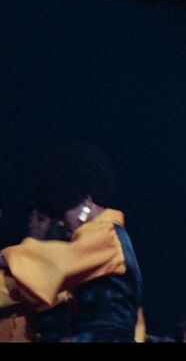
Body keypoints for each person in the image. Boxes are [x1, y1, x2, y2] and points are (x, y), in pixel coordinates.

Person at [0, 143, 144, 342]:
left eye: (63, 211)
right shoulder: (104, 237)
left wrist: (6, 256)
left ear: (86, 202)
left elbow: (58, 263)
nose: (59, 222)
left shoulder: (106, 235)